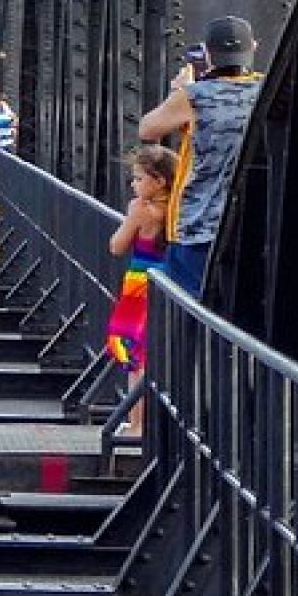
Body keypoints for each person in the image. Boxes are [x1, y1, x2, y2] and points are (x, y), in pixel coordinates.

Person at [138, 16, 264, 298]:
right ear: (253, 47)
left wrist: (179, 90)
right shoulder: (269, 90)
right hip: (257, 226)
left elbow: (148, 129)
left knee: (191, 317)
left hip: (199, 226)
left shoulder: (194, 96)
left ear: (207, 53)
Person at [105, 144, 178, 437]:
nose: (133, 184)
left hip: (139, 284)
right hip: (167, 283)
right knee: (156, 353)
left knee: (134, 355)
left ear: (158, 181)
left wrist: (129, 218)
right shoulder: (174, 210)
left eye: (138, 178)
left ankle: (138, 424)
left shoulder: (141, 210)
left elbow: (117, 245)